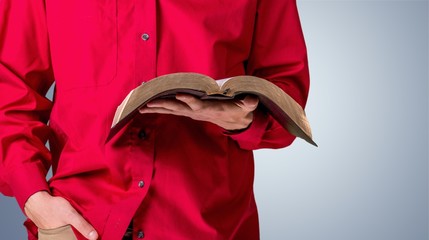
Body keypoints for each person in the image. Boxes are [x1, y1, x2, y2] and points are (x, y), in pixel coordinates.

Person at [0, 0, 310, 239]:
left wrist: (239, 119)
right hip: (79, 221)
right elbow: (11, 90)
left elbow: (287, 94)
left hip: (208, 225)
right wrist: (34, 198)